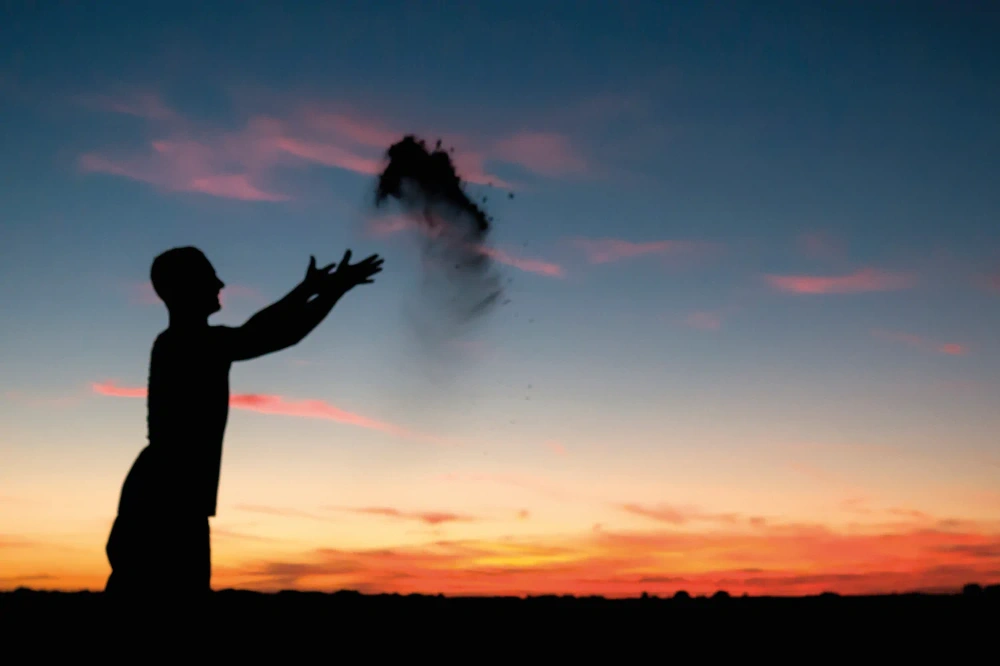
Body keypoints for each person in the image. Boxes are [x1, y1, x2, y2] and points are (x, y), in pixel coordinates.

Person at [104, 246, 383, 603]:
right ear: (185, 288)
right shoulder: (189, 344)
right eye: (209, 277)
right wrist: (330, 290)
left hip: (163, 496)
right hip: (166, 502)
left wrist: (311, 290)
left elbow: (258, 329)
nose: (220, 283)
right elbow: (272, 333)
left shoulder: (187, 342)